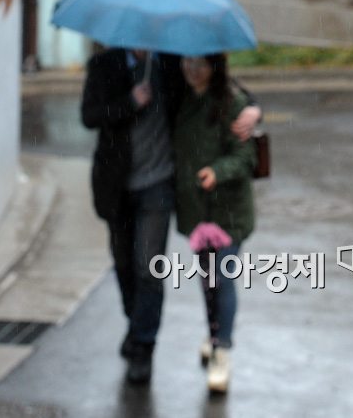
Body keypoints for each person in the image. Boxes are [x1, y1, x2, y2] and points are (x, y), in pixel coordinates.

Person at [81, 47, 260, 385]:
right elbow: (89, 116)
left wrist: (254, 109)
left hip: (158, 186)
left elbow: (222, 85)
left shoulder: (169, 61)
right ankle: (137, 326)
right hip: (117, 187)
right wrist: (130, 103)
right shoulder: (104, 65)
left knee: (149, 267)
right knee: (124, 267)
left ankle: (144, 346)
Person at [173, 54, 256, 394]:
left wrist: (217, 172)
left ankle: (223, 349)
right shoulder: (181, 99)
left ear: (216, 67)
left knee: (222, 278)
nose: (193, 70)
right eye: (188, 63)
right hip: (197, 211)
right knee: (208, 280)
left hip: (227, 212)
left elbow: (245, 157)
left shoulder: (231, 102)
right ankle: (213, 334)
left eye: (202, 64)